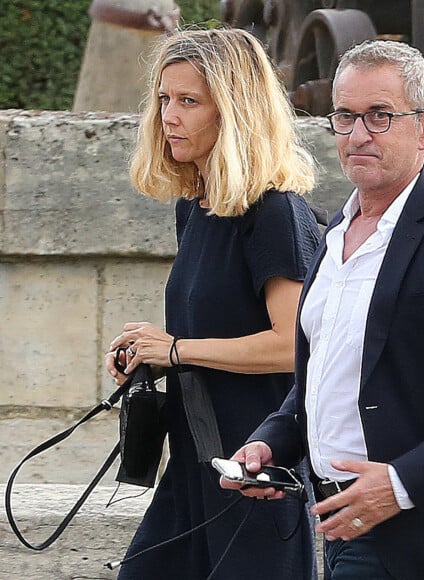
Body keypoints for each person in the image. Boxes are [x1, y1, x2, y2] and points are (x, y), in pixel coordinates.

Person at [223, 39, 424, 579]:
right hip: (340, 522)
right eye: (345, 116)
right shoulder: (332, 233)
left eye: (379, 116)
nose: (357, 135)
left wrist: (400, 485)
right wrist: (269, 441)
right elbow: (328, 380)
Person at [105, 27, 321, 580]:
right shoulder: (196, 210)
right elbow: (214, 334)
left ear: (235, 111)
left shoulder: (276, 214)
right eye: (162, 99)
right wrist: (153, 355)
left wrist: (176, 348)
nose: (167, 117)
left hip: (253, 472)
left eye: (188, 101)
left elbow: (292, 346)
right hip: (193, 462)